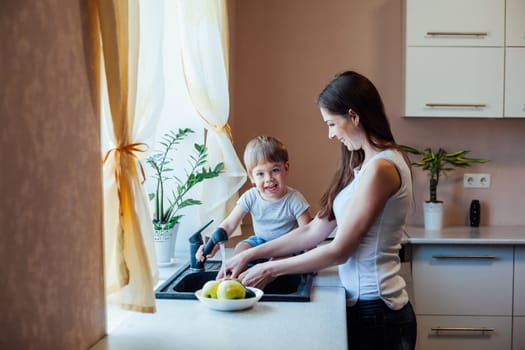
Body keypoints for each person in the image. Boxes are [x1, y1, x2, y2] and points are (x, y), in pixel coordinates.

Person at [219, 71, 417, 350]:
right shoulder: (362, 167)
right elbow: (314, 230)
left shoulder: (382, 169)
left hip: (380, 313)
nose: (330, 134)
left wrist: (270, 269)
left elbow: (340, 250)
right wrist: (251, 254)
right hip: (365, 309)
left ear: (354, 116)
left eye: (332, 124)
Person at [197, 135, 312, 261]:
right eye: (260, 174)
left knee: (279, 259)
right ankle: (239, 276)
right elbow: (229, 225)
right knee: (241, 249)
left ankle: (269, 272)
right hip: (261, 241)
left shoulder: (295, 200)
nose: (269, 178)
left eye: (275, 170)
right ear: (252, 177)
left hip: (286, 246)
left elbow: (307, 233)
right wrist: (213, 243)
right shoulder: (251, 196)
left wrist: (310, 259)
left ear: (286, 168)